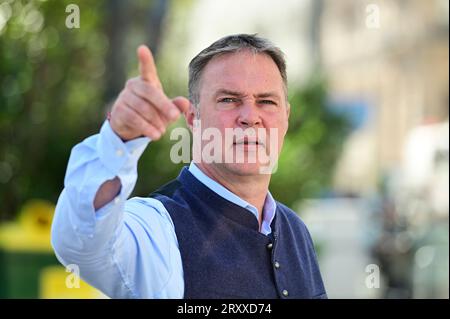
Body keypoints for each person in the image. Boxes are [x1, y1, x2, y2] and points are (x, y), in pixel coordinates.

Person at [51, 34, 327, 299]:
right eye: (229, 100)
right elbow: (82, 242)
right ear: (194, 119)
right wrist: (119, 139)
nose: (250, 117)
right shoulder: (159, 227)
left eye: (266, 101)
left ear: (286, 118)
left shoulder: (295, 229)